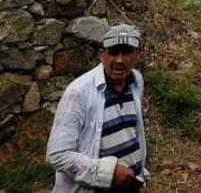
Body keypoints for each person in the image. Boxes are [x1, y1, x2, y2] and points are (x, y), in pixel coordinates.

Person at [46, 24, 149, 192]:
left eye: (127, 52)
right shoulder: (79, 92)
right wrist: (108, 173)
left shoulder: (136, 81)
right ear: (102, 55)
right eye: (113, 52)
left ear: (137, 54)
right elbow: (57, 155)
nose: (119, 60)